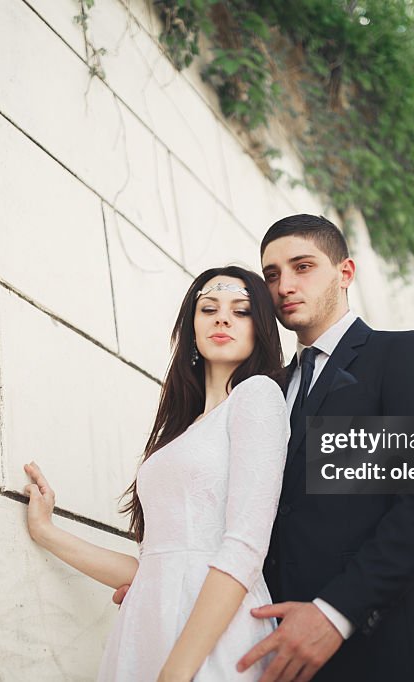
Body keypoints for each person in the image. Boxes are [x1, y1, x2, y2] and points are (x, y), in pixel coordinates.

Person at [23, 265, 291, 681]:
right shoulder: (182, 433)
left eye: (241, 311)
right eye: (208, 308)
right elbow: (153, 567)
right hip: (148, 625)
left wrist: (178, 670)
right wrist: (45, 532)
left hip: (213, 632)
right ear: (192, 327)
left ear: (261, 329)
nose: (223, 318)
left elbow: (245, 547)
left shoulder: (257, 396)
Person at [237, 214, 414, 681]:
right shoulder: (268, 390)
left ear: (345, 273)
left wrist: (335, 612)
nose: (283, 286)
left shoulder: (402, 356)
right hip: (276, 649)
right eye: (271, 274)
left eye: (302, 266)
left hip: (381, 648)